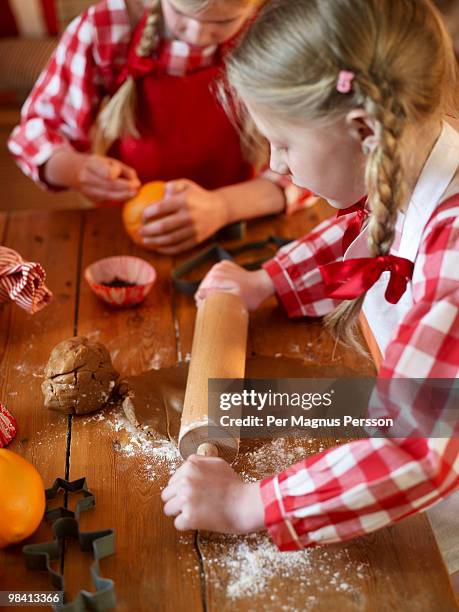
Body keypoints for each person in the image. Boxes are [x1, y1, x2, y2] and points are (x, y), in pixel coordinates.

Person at [161, 0, 459, 584]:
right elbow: (366, 227)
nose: (277, 163)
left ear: (364, 131)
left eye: (285, 145)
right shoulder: (417, 155)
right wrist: (265, 281)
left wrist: (251, 504)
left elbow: (417, 452)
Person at [8, 0, 309, 255]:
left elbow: (316, 163)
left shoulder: (275, 28)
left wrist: (223, 207)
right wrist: (74, 169)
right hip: (128, 227)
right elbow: (35, 131)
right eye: (180, 13)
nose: (197, 33)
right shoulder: (105, 26)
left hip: (242, 225)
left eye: (223, 21)